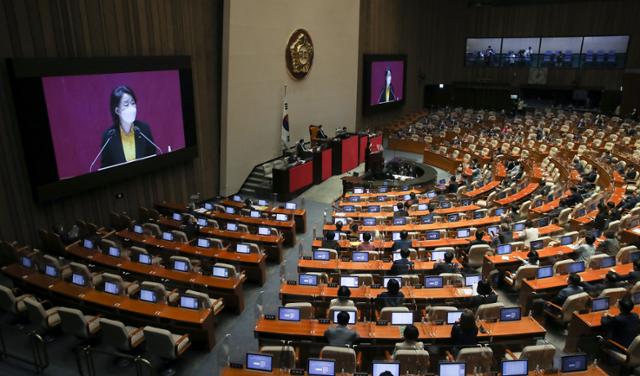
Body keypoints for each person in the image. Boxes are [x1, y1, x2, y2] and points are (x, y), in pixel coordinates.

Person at [100, 85, 157, 170]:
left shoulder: (144, 129)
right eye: (126, 104)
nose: (131, 108)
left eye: (133, 103)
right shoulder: (108, 137)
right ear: (117, 111)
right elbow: (105, 168)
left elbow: (154, 158)